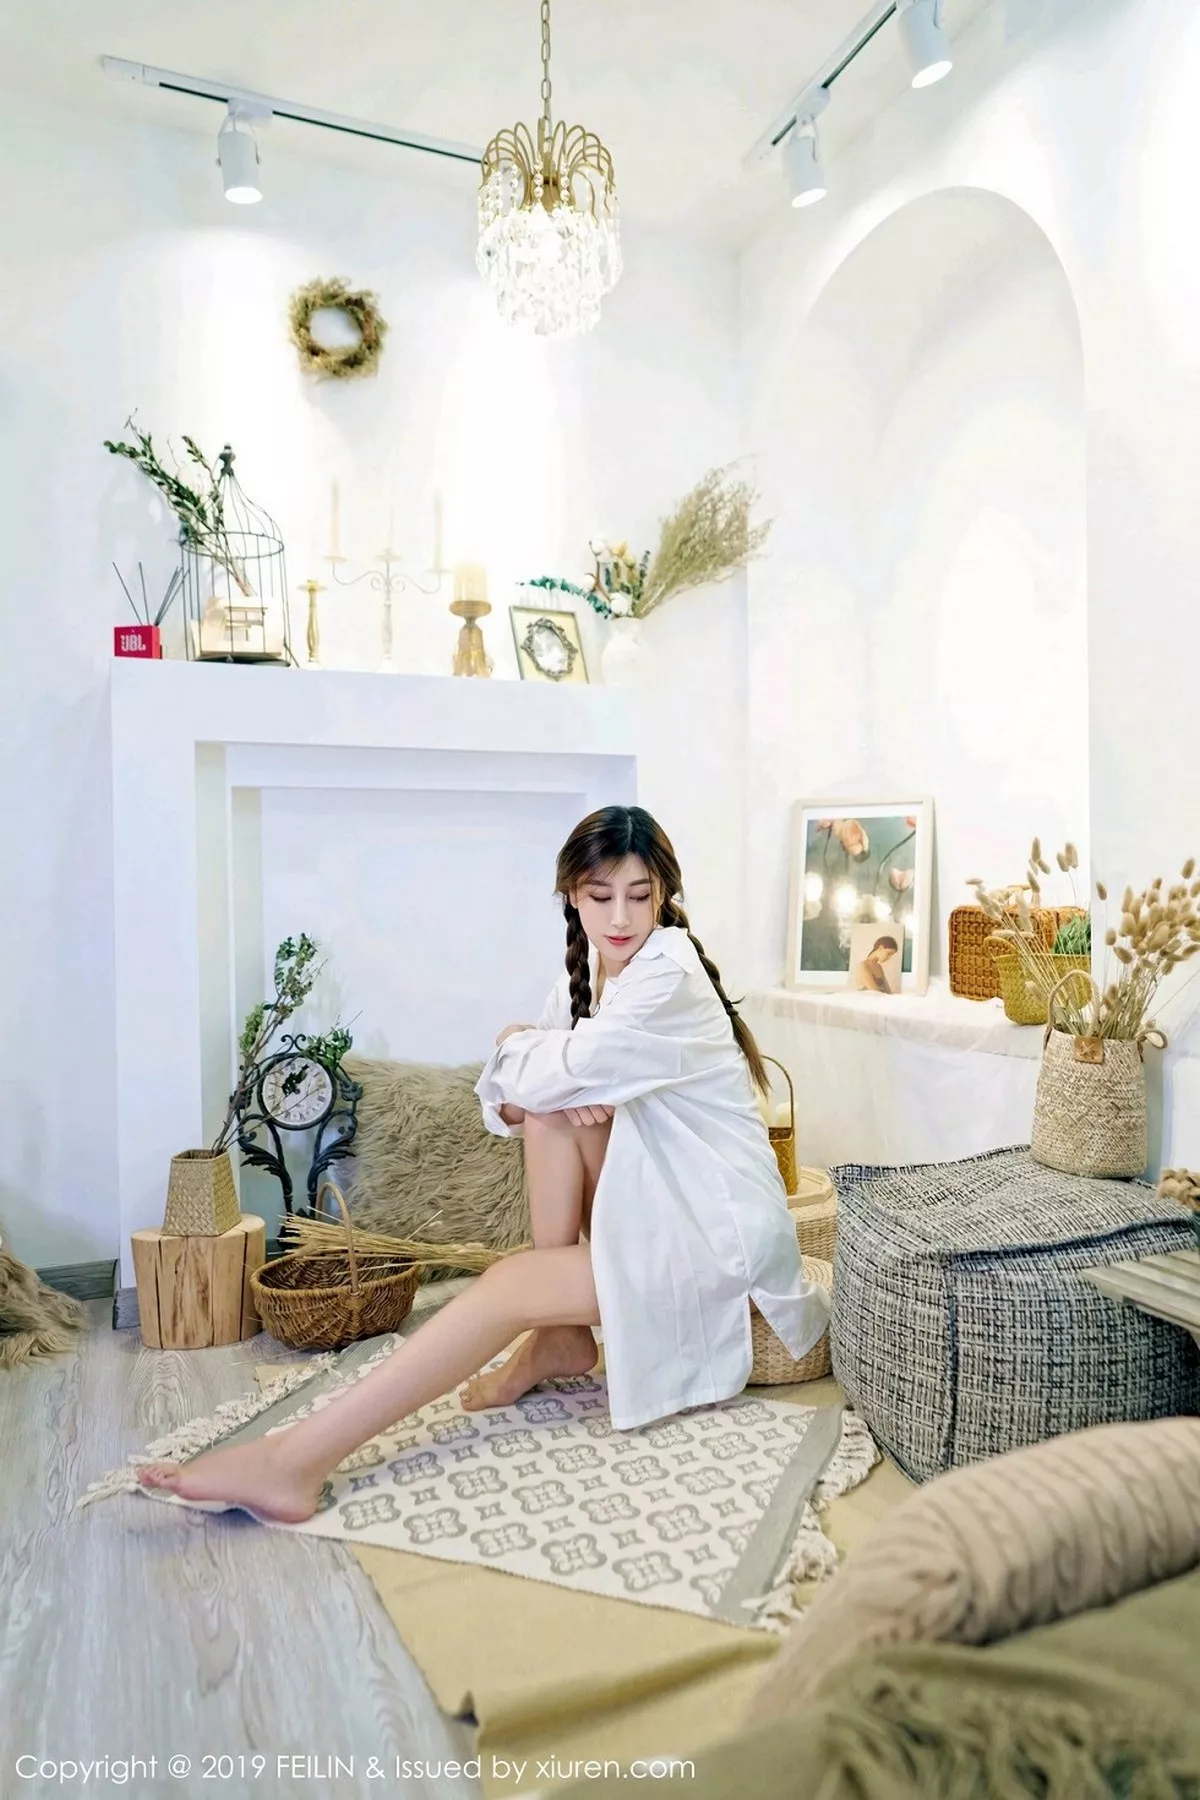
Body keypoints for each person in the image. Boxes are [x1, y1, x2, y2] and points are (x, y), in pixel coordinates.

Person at [137, 806, 829, 1522]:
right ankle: (557, 1331)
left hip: (712, 1234)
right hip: (658, 1198)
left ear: (664, 895)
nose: (621, 916)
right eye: (600, 896)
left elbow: (532, 1075)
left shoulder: (668, 972)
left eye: (639, 894)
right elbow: (510, 1106)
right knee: (555, 1111)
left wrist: (516, 1046)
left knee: (506, 1281)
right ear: (571, 895)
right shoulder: (586, 979)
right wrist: (543, 1076)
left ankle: (294, 1462)